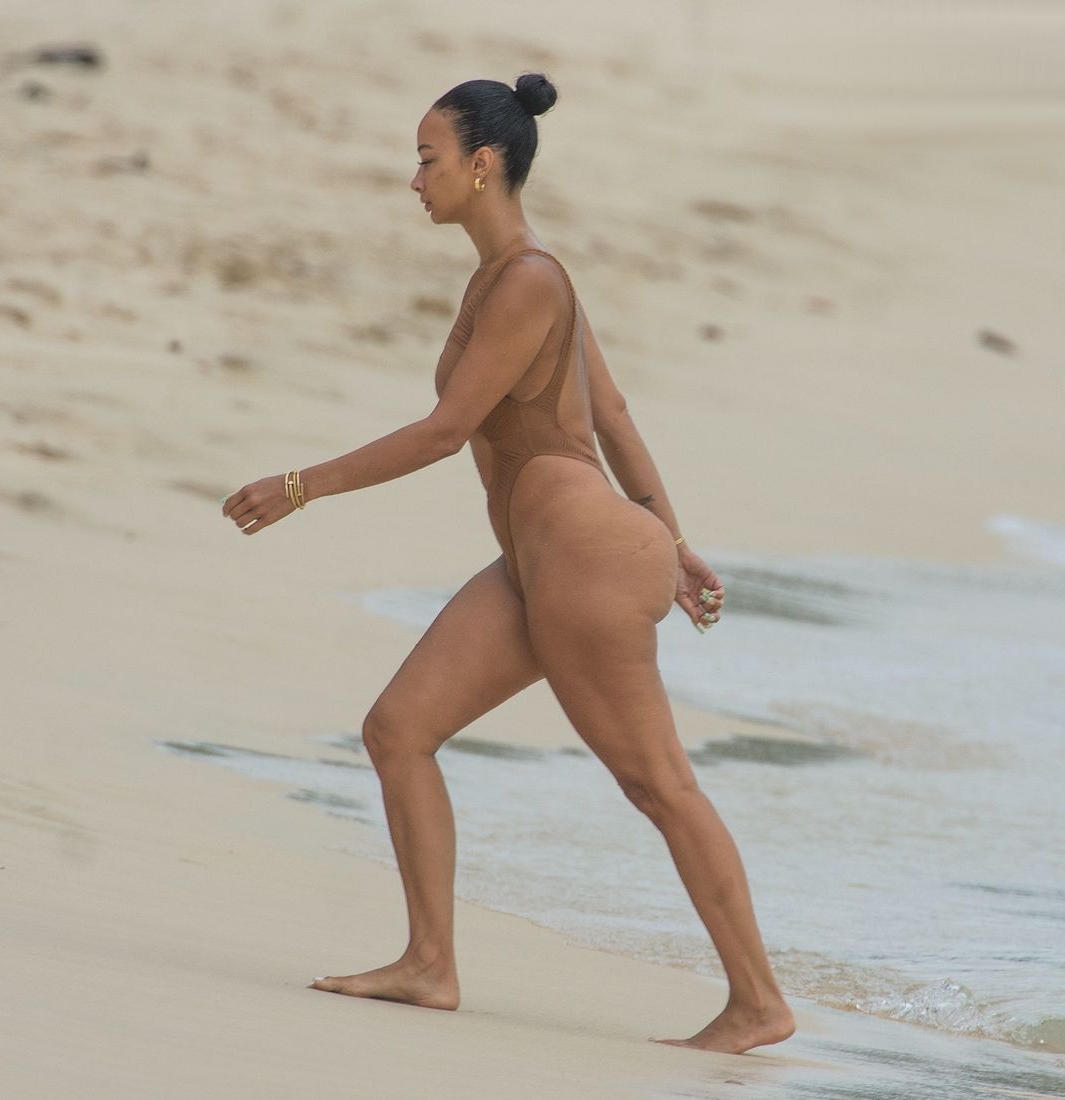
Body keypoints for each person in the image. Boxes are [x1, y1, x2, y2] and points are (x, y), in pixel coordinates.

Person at [221, 73, 794, 1055]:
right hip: (546, 561)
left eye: (428, 158)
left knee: (658, 784)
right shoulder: (512, 277)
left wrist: (300, 485)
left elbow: (447, 431)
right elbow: (610, 412)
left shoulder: (531, 278)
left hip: (583, 557)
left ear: (481, 164)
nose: (415, 180)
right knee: (399, 729)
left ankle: (758, 1003)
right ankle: (429, 962)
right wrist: (669, 539)